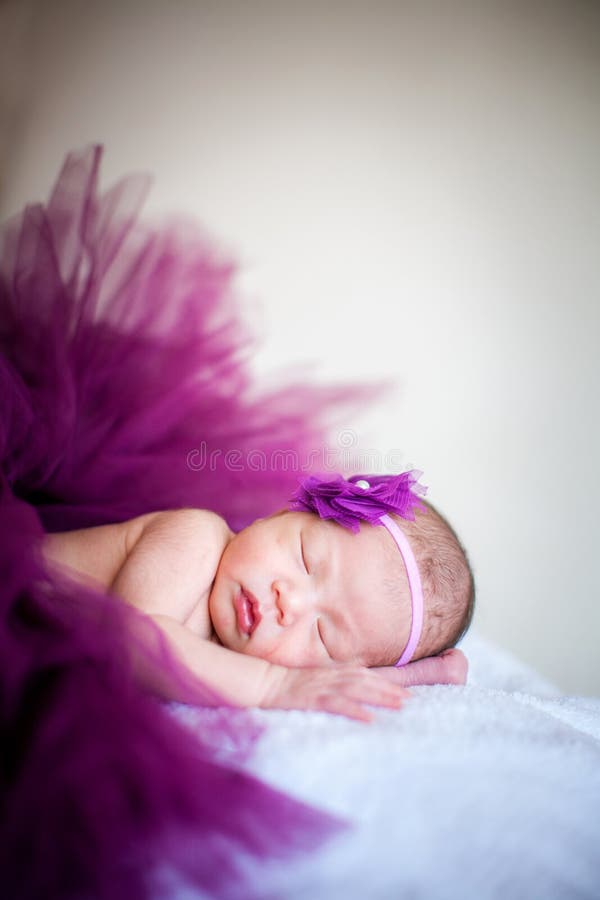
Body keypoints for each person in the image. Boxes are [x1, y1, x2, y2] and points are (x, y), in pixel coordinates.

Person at [43, 471, 473, 721]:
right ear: (284, 513)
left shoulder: (237, 656)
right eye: (305, 560)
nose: (291, 604)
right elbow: (134, 640)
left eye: (323, 636)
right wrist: (277, 686)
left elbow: (329, 679)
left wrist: (415, 675)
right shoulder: (197, 536)